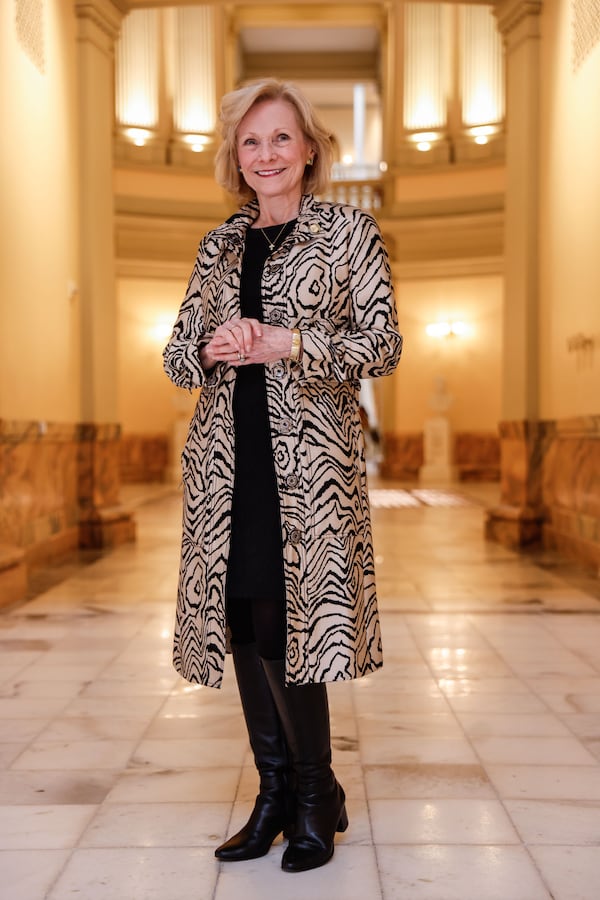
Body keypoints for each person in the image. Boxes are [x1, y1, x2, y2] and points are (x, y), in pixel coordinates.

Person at [163, 77, 402, 873]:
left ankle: (312, 794)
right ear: (237, 157)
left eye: (281, 138)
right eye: (250, 141)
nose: (266, 154)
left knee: (287, 627)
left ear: (309, 151)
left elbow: (383, 346)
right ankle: (274, 791)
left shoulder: (348, 232)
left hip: (309, 474)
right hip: (225, 469)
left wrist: (289, 343)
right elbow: (173, 356)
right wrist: (211, 348)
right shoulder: (218, 245)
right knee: (241, 623)